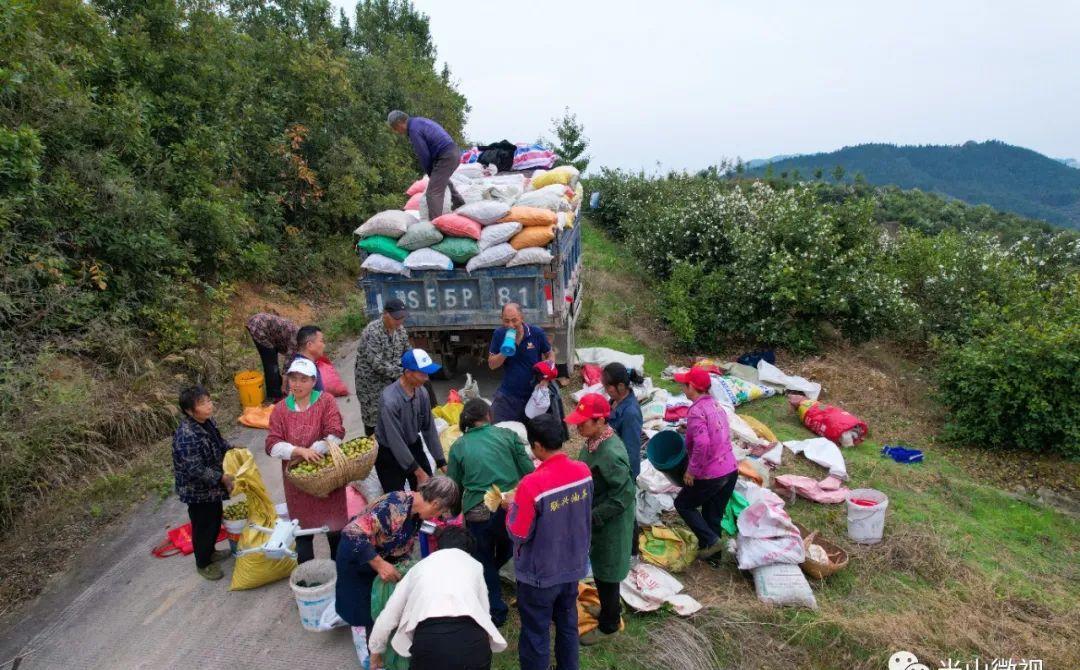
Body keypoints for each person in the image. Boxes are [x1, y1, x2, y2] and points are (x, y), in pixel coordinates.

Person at [336, 477, 460, 668]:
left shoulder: (417, 513)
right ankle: (370, 659)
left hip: (382, 559)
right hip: (358, 558)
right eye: (440, 511)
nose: (438, 515)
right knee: (362, 611)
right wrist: (379, 564)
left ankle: (379, 649)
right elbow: (351, 533)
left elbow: (410, 536)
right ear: (435, 503)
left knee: (380, 607)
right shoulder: (394, 506)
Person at [506, 414, 593, 670]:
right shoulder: (583, 472)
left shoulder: (531, 485)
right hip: (572, 565)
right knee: (567, 621)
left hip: (540, 573)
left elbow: (519, 533)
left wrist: (510, 508)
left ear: (537, 446)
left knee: (536, 630)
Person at [447, 399, 535, 627]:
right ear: (488, 415)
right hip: (509, 508)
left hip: (478, 512)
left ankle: (496, 611)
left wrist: (454, 514)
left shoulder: (459, 446)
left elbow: (454, 487)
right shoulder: (508, 436)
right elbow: (529, 471)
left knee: (483, 558)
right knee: (510, 548)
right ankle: (499, 580)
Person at [368, 527, 507, 670]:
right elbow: (483, 613)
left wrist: (376, 650)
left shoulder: (419, 567)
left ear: (437, 547)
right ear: (469, 552)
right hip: (472, 643)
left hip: (429, 643)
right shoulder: (475, 566)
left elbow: (390, 613)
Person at [563, 393, 636, 646]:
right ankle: (608, 609)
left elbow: (624, 495)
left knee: (608, 572)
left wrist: (592, 517)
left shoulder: (611, 454)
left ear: (601, 421)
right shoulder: (593, 440)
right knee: (601, 569)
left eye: (583, 423)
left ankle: (610, 624)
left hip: (610, 521)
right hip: (597, 515)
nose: (577, 426)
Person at [265, 357, 347, 564]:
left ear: (313, 381)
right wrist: (299, 451)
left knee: (334, 531)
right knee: (302, 533)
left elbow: (336, 432)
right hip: (297, 483)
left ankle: (339, 575)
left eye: (303, 379)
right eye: (293, 379)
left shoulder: (325, 401)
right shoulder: (281, 409)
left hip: (327, 477)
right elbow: (272, 445)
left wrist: (315, 449)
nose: (297, 384)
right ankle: (308, 578)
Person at [672, 366, 738, 559]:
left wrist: (691, 471)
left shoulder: (696, 411)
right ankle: (713, 559)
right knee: (713, 513)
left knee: (683, 504)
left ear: (691, 386)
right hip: (730, 470)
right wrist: (689, 431)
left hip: (712, 473)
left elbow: (702, 444)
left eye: (685, 385)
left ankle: (710, 541)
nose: (683, 389)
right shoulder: (716, 405)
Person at [171, 385, 234, 580]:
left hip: (211, 488)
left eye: (209, 400)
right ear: (190, 410)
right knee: (203, 524)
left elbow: (219, 443)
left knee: (215, 518)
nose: (209, 405)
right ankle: (203, 562)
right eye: (202, 403)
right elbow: (195, 469)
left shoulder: (207, 421)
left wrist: (233, 451)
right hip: (197, 490)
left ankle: (211, 551)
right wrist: (220, 477)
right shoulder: (186, 435)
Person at [375, 349, 446, 494]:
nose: (426, 378)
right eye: (422, 374)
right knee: (397, 503)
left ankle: (422, 518)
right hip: (389, 453)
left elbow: (429, 429)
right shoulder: (390, 400)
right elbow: (396, 442)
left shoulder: (422, 392)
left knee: (428, 494)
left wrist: (441, 461)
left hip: (413, 444)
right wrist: (418, 472)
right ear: (408, 373)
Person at [387, 110, 465, 218]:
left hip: (446, 156)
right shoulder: (417, 122)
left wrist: (429, 171)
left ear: (400, 123)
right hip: (452, 152)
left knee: (433, 192)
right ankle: (459, 204)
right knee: (441, 180)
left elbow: (423, 154)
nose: (396, 131)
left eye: (395, 128)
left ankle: (436, 224)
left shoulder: (413, 130)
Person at [487, 303, 555, 424]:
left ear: (522, 318)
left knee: (539, 434)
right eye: (506, 321)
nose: (510, 325)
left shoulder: (536, 333)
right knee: (494, 427)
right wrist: (506, 350)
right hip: (509, 394)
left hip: (534, 394)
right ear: (501, 319)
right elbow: (492, 365)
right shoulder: (499, 334)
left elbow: (550, 354)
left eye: (514, 320)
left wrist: (546, 378)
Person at [355, 299, 411, 436]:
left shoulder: (400, 330)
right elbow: (377, 364)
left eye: (402, 317)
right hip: (371, 384)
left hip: (392, 379)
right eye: (396, 318)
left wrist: (415, 365)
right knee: (374, 419)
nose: (399, 321)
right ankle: (374, 451)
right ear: (385, 314)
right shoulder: (373, 332)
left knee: (396, 415)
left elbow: (407, 352)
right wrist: (404, 373)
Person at [602, 363, 644, 479]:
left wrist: (627, 479)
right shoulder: (615, 400)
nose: (605, 390)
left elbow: (631, 451)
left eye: (607, 387)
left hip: (622, 471)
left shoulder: (630, 414)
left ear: (620, 386)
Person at [246, 312, 298, 403]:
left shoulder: (299, 335)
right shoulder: (296, 339)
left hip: (262, 325)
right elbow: (287, 364)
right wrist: (284, 385)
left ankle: (277, 385)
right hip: (259, 327)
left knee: (272, 359)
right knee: (271, 364)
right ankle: (275, 394)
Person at [286, 324, 326, 394]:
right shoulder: (303, 369)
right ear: (310, 345)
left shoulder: (299, 363)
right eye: (321, 341)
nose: (324, 345)